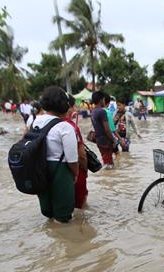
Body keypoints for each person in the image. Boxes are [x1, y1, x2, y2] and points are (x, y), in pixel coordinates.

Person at [32, 86, 79, 222]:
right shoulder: (65, 127)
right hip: (60, 171)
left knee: (49, 212)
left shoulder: (36, 121)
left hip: (40, 170)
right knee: (62, 216)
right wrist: (75, 174)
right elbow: (72, 159)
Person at [64, 105, 88, 209]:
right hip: (76, 169)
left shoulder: (45, 124)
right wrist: (85, 169)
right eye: (73, 107)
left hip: (55, 173)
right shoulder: (72, 127)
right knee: (80, 205)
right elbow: (81, 155)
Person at [90, 91, 114, 169]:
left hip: (99, 141)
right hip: (106, 141)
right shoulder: (102, 111)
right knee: (109, 164)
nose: (104, 101)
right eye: (103, 99)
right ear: (101, 100)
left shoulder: (93, 112)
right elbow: (107, 129)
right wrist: (113, 140)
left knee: (105, 161)